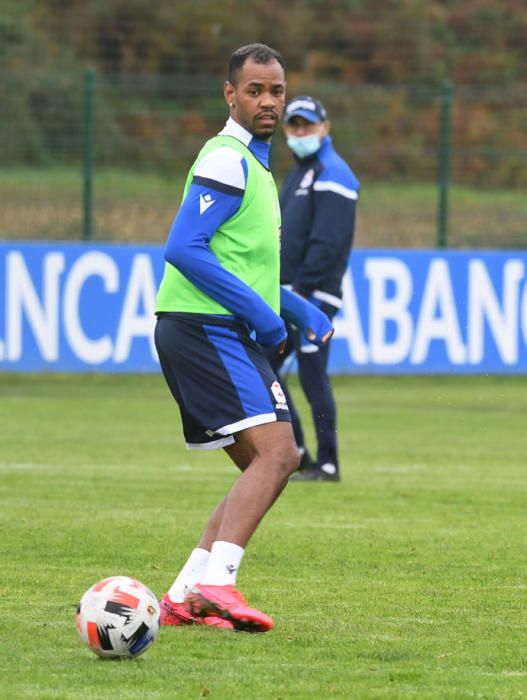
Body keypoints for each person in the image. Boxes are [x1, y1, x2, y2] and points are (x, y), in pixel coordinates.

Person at [154, 45, 333, 632]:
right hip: (206, 328)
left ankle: (185, 594)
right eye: (255, 90)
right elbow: (184, 248)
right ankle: (217, 584)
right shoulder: (227, 158)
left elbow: (242, 264)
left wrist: (295, 307)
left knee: (265, 465)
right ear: (230, 95)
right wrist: (264, 316)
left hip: (204, 327)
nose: (268, 101)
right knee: (281, 455)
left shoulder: (254, 168)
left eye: (276, 91)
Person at [269, 96, 360, 482]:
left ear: (325, 127)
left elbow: (329, 242)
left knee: (309, 373)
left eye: (307, 124)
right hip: (291, 291)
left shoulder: (333, 172)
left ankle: (326, 461)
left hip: (312, 294)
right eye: (294, 125)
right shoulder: (302, 172)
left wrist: (302, 292)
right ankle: (302, 453)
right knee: (271, 370)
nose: (300, 131)